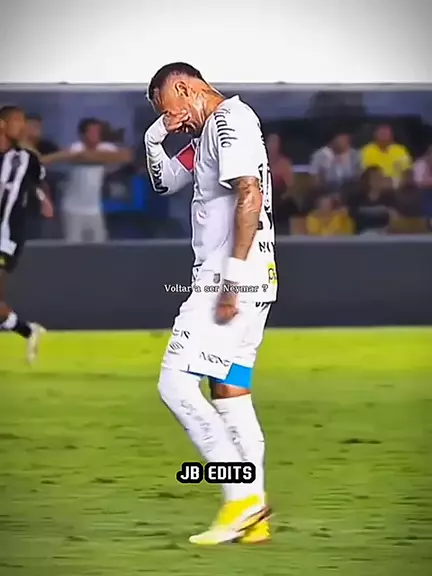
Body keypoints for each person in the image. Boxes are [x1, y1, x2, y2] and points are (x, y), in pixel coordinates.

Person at [144, 63, 277, 545]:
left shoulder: (227, 122)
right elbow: (164, 182)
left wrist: (232, 282)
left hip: (229, 278)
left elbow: (249, 193)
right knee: (230, 393)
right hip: (256, 279)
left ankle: (240, 500)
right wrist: (155, 136)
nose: (173, 120)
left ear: (185, 88)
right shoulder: (205, 138)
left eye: (169, 108)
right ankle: (255, 517)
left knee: (175, 384)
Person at [0, 105, 54, 363]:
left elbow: (38, 182)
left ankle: (28, 330)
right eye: (17, 121)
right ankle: (28, 330)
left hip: (6, 235)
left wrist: (44, 200)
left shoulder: (27, 158)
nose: (22, 127)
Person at [61, 118, 133, 243]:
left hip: (95, 210)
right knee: (73, 248)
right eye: (92, 132)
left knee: (99, 247)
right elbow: (84, 156)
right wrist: (103, 157)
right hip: (73, 210)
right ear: (83, 134)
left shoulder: (106, 148)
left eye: (97, 131)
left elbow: (126, 156)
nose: (95, 135)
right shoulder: (75, 148)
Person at [349, 166, 397, 234]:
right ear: (367, 180)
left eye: (380, 177)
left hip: (383, 236)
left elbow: (396, 220)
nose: (379, 180)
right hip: (361, 237)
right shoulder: (356, 199)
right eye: (375, 178)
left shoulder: (390, 199)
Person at [266, 133, 297, 233]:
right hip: (261, 197)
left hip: (280, 199)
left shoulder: (285, 163)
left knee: (288, 205)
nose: (274, 146)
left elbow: (290, 186)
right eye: (271, 142)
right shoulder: (257, 161)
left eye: (276, 143)